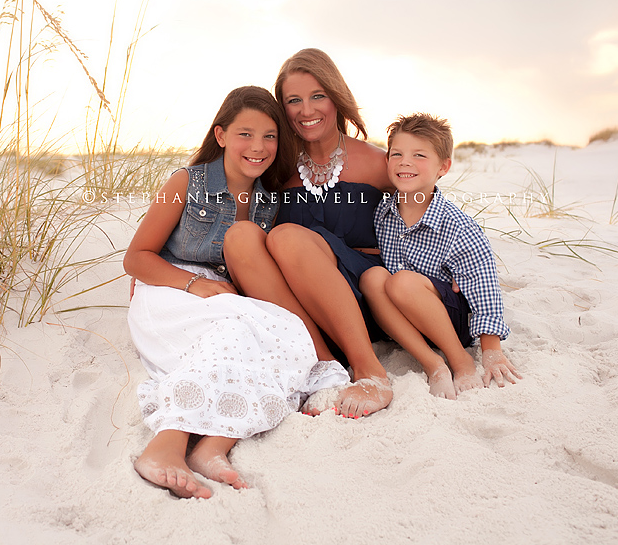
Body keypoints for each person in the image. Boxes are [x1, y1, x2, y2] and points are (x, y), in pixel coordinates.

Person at [123, 86, 349, 499]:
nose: (258, 147)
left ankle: (212, 447)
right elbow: (136, 258)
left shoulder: (268, 200)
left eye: (269, 136)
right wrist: (196, 284)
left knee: (267, 333)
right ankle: (164, 448)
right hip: (171, 290)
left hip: (224, 299)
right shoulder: (185, 182)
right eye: (245, 134)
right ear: (222, 135)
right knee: (234, 330)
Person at [223, 49, 395, 419]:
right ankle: (325, 369)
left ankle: (370, 371)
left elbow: (429, 212)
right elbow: (218, 201)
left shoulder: (377, 163)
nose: (306, 110)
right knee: (240, 236)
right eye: (293, 101)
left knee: (286, 236)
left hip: (363, 302)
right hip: (301, 311)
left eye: (317, 96)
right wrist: (166, 263)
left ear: (336, 98)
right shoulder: (274, 166)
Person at [359, 113, 522, 400]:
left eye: (419, 155)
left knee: (402, 282)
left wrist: (492, 351)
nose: (405, 162)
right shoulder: (382, 214)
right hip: (403, 321)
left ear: (443, 167)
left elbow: (484, 289)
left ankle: (460, 361)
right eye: (396, 154)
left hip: (448, 319)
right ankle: (434, 364)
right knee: (373, 277)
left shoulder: (457, 226)